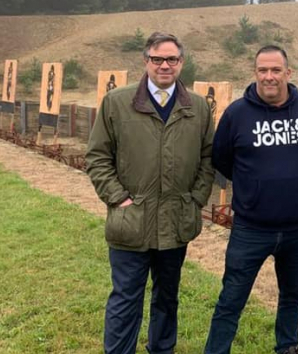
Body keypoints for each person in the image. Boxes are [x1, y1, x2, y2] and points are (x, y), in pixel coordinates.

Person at [86, 32, 215, 354]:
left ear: (181, 63)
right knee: (126, 296)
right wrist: (118, 198)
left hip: (175, 222)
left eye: (172, 59)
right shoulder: (117, 102)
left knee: (167, 297)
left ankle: (162, 349)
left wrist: (195, 199)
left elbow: (209, 157)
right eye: (157, 59)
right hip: (131, 221)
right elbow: (98, 156)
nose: (164, 66)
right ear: (146, 62)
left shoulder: (197, 107)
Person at [204, 45, 298, 354]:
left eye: (275, 70)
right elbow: (221, 158)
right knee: (231, 298)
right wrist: (254, 188)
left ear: (288, 72)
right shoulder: (236, 113)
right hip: (250, 229)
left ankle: (287, 346)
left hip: (297, 228)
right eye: (262, 70)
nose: (269, 77)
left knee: (292, 296)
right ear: (255, 72)